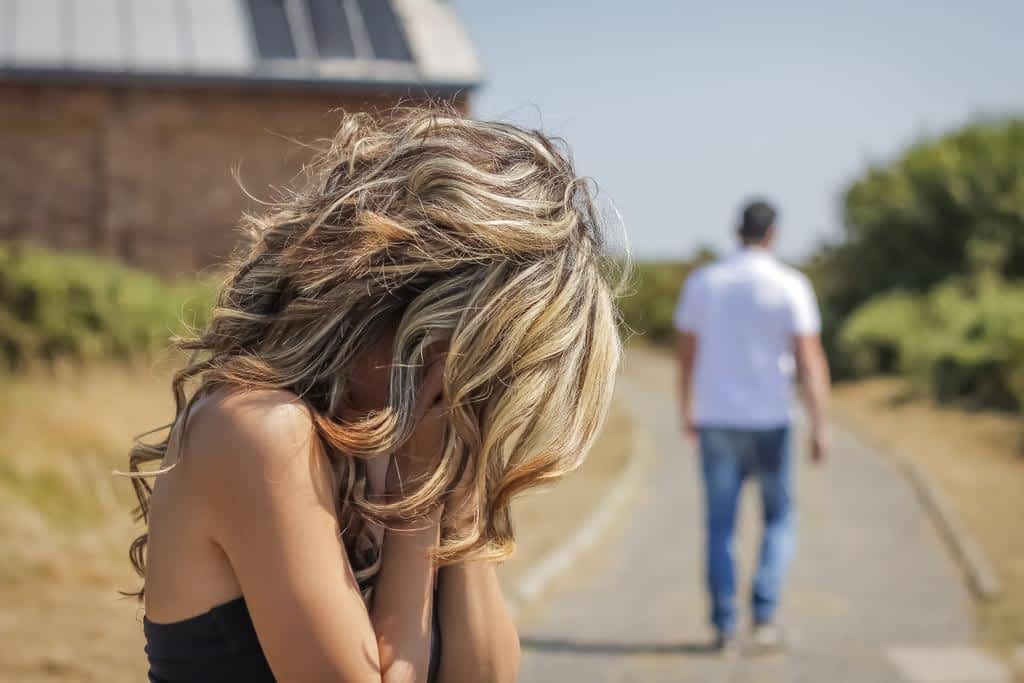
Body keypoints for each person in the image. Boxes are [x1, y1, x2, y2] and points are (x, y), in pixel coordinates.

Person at [125, 108, 623, 682]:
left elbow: (485, 674)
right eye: (482, 357)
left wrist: (454, 481)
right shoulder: (258, 430)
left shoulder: (415, 436)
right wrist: (415, 504)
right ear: (415, 312)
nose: (478, 388)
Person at [674, 199, 831, 653]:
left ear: (736, 231)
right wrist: (820, 424)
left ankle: (725, 625)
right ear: (773, 234)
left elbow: (686, 356)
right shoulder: (791, 285)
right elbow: (810, 360)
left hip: (717, 418)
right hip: (772, 421)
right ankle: (763, 617)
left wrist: (687, 410)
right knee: (778, 519)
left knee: (720, 525)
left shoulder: (704, 282)